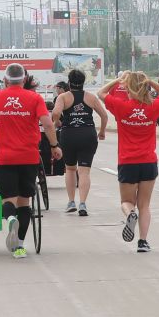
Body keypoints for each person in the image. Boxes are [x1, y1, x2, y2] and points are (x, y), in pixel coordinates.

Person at [0, 63, 61, 259]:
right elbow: (48, 123)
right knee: (24, 202)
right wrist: (54, 145)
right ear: (25, 79)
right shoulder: (35, 98)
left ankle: (10, 218)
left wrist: (0, 137)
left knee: (8, 197)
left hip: (6, 156)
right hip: (29, 156)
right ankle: (18, 246)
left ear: (6, 79)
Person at [99, 72, 159, 253]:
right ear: (146, 88)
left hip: (128, 161)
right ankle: (143, 241)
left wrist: (119, 80)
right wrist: (150, 80)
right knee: (145, 205)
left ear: (127, 88)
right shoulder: (154, 106)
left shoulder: (121, 106)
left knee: (127, 201)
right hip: (148, 161)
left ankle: (130, 214)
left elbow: (101, 93)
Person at [49, 69, 108, 216]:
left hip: (69, 134)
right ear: (83, 82)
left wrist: (55, 122)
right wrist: (102, 132)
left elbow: (55, 113)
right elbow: (104, 115)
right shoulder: (91, 97)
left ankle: (71, 202)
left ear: (69, 82)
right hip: (88, 134)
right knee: (84, 171)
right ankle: (83, 203)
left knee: (70, 169)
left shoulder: (63, 97)